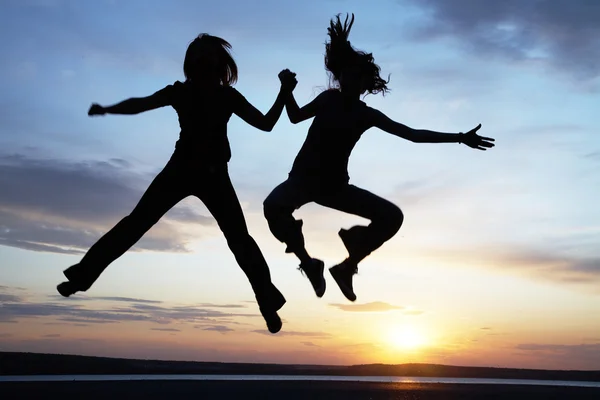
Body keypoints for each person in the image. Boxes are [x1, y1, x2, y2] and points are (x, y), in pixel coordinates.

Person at [56, 33, 298, 334]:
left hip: (214, 175)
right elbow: (140, 104)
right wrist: (109, 108)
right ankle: (81, 278)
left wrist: (284, 91)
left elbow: (266, 123)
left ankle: (266, 301)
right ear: (193, 62)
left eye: (208, 55)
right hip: (181, 168)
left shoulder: (226, 96)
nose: (203, 60)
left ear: (216, 62)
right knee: (135, 224)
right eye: (198, 55)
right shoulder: (181, 92)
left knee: (240, 240)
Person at [264, 14, 495, 302]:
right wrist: (286, 91)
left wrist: (460, 137)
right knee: (272, 207)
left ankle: (347, 267)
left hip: (335, 187)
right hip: (301, 180)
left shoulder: (366, 115)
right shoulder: (328, 99)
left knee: (392, 217)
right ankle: (309, 263)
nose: (349, 79)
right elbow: (296, 117)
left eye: (357, 76)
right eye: (347, 73)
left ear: (364, 83)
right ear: (341, 75)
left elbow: (412, 134)